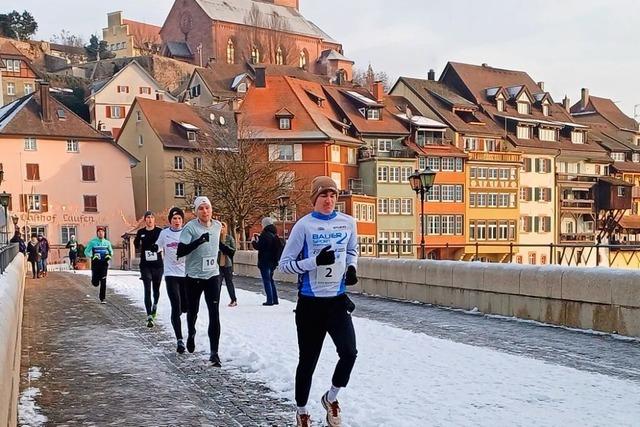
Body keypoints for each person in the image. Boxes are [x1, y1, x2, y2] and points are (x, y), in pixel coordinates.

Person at [278, 176, 359, 427]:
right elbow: (284, 266)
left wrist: (352, 267)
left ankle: (331, 398)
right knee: (308, 360)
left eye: (333, 195)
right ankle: (302, 411)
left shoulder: (348, 223)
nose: (329, 200)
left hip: (336, 302)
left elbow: (352, 251)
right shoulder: (304, 226)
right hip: (310, 304)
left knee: (349, 352)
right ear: (315, 198)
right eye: (324, 195)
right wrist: (314, 262)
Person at [177, 196, 223, 366]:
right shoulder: (190, 228)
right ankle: (191, 332)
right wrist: (198, 241)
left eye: (207, 208)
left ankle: (214, 353)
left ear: (211, 210)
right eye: (201, 208)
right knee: (193, 311)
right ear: (196, 211)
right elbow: (181, 251)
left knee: (214, 313)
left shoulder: (218, 226)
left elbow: (216, 245)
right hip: (194, 276)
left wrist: (227, 249)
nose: (205, 211)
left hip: (212, 275)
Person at [156, 207, 189, 353]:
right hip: (170, 274)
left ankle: (183, 309)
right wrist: (154, 247)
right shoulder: (165, 233)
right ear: (170, 220)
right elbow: (158, 246)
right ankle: (179, 340)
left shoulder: (187, 233)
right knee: (175, 306)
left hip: (186, 274)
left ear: (182, 221)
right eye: (174, 218)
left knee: (185, 307)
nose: (177, 221)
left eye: (179, 219)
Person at [134, 211, 164, 328]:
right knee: (147, 290)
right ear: (145, 220)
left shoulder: (159, 231)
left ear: (154, 220)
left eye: (152, 217)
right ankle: (149, 316)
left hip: (157, 265)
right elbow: (136, 244)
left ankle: (155, 305)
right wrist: (138, 243)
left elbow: (164, 244)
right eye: (148, 217)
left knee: (156, 289)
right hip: (145, 265)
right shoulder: (141, 232)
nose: (150, 219)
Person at [252, 217, 283, 306]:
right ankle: (275, 299)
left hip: (265, 261)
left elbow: (259, 247)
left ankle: (269, 300)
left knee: (267, 281)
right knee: (271, 280)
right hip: (273, 261)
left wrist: (254, 242)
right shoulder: (274, 234)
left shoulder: (265, 235)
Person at [84, 227, 113, 303]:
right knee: (95, 283)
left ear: (104, 233)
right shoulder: (92, 242)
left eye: (102, 232)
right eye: (99, 231)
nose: (101, 233)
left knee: (103, 280)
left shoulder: (107, 243)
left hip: (104, 264)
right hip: (95, 264)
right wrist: (92, 256)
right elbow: (86, 251)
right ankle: (95, 280)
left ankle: (102, 298)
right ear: (97, 233)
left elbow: (111, 252)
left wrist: (109, 256)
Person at [218, 221, 237, 307]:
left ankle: (233, 300)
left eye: (223, 227)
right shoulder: (216, 238)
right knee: (217, 283)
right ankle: (215, 300)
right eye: (220, 227)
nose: (221, 228)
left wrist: (225, 247)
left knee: (229, 282)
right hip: (217, 264)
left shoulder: (229, 238)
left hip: (227, 264)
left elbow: (233, 250)